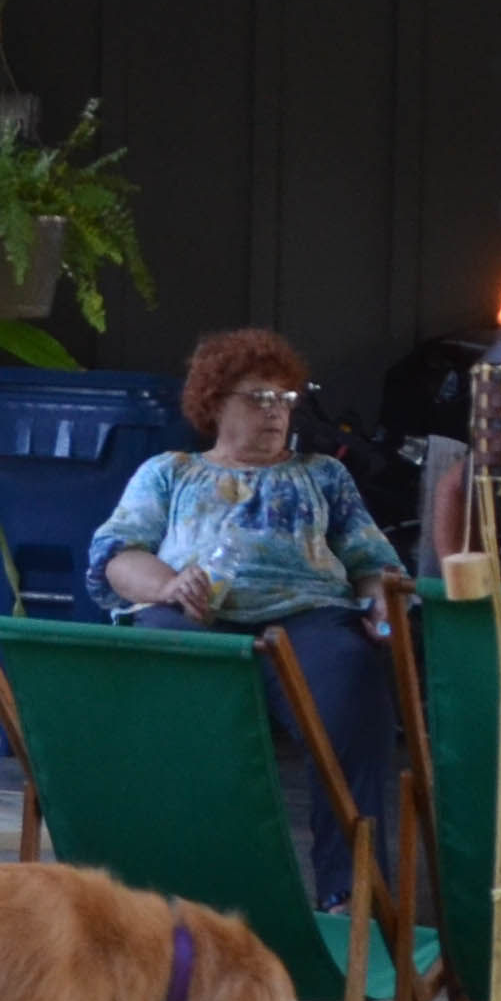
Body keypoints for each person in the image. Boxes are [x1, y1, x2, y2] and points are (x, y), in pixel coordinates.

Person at [90, 326, 409, 902]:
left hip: (308, 614)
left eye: (286, 399)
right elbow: (117, 556)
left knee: (353, 677)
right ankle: (171, 887)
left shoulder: (323, 475)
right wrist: (166, 585)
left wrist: (381, 603)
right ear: (214, 404)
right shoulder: (172, 471)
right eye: (259, 398)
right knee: (164, 661)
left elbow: (371, 559)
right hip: (192, 612)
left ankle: (352, 897)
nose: (277, 412)